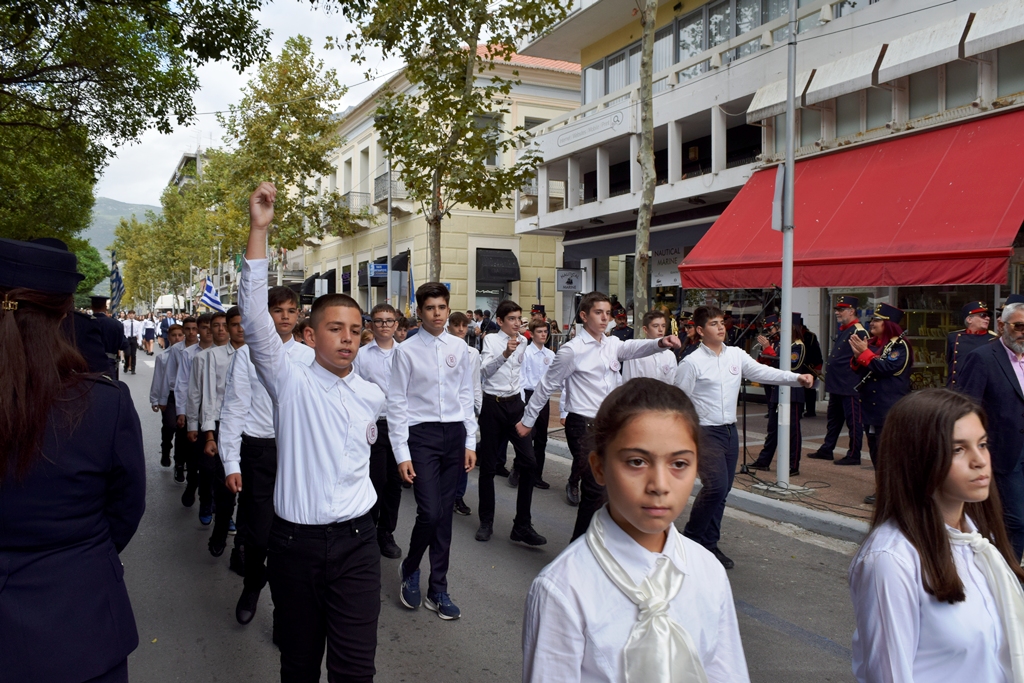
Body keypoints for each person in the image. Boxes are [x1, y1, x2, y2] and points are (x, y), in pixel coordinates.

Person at [241, 182, 384, 681]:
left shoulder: (370, 395)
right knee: (299, 664)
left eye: (354, 329)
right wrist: (260, 230)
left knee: (355, 668)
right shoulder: (290, 380)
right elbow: (256, 319)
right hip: (295, 548)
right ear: (310, 332)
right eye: (334, 328)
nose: (347, 338)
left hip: (358, 545)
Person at [522, 379, 750, 683]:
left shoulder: (707, 571)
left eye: (679, 463)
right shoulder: (565, 588)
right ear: (599, 468)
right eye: (637, 462)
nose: (659, 485)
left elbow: (727, 672)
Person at [0, 237, 146, 683]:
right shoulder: (105, 404)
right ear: (66, 312)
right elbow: (126, 508)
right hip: (83, 622)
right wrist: (82, 553)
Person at [848, 389, 1024, 683]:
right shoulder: (891, 560)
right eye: (958, 449)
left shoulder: (979, 541)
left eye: (982, 444)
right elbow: (890, 675)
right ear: (918, 457)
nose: (980, 460)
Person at [517, 291, 682, 541]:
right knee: (595, 487)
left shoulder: (612, 344)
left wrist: (660, 342)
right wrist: (527, 421)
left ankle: (594, 544)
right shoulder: (571, 351)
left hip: (609, 426)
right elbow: (546, 386)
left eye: (608, 313)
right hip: (582, 426)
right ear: (584, 316)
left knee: (606, 489)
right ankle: (579, 549)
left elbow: (634, 347)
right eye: (598, 312)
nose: (605, 318)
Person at [674, 306, 814, 569]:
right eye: (713, 324)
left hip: (729, 431)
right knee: (715, 487)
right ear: (701, 331)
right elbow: (678, 403)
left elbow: (764, 373)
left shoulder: (736, 355)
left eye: (721, 322)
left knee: (723, 491)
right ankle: (692, 539)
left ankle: (710, 544)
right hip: (704, 432)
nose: (721, 327)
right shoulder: (691, 363)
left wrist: (797, 378)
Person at [220, 284, 314, 624]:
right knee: (259, 536)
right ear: (267, 314)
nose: (286, 316)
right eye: (278, 310)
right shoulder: (247, 355)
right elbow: (233, 408)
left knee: (293, 538)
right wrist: (231, 461)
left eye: (291, 310)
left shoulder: (310, 356)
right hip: (259, 451)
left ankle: (283, 611)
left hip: (299, 454)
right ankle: (252, 584)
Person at [391, 283, 478, 621]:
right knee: (429, 512)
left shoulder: (461, 346)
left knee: (444, 517)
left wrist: (470, 441)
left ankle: (438, 588)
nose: (438, 313)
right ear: (420, 311)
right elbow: (397, 402)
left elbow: (466, 395)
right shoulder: (406, 351)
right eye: (430, 308)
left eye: (442, 307)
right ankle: (411, 567)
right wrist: (402, 452)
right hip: (421, 436)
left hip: (454, 435)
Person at [475, 300, 547, 546]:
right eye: (512, 319)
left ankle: (522, 525)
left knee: (528, 462)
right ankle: (486, 521)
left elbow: (520, 373)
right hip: (492, 405)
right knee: (488, 467)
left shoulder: (525, 341)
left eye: (519, 318)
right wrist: (505, 353)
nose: (517, 323)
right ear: (501, 321)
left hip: (515, 405)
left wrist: (526, 403)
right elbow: (484, 371)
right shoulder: (491, 340)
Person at [956, 300, 1024, 561]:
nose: (1023, 332)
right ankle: (1008, 577)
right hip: (1002, 454)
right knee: (1016, 521)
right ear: (1001, 325)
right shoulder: (982, 358)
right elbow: (966, 407)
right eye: (1018, 326)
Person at [353, 303, 405, 559]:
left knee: (395, 482)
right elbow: (357, 390)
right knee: (376, 480)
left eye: (389, 320)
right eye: (379, 321)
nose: (384, 325)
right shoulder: (362, 355)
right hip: (374, 425)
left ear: (396, 324)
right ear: (371, 325)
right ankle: (368, 529)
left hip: (399, 424)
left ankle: (386, 532)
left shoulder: (406, 353)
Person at [850, 303, 913, 505]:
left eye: (877, 320)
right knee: (876, 450)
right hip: (872, 407)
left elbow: (887, 368)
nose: (872, 323)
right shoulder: (877, 344)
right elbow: (864, 370)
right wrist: (858, 355)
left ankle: (894, 493)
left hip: (889, 407)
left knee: (889, 452)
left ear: (889, 324)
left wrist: (865, 354)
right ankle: (883, 489)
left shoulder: (899, 346)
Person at [200, 307, 245, 556]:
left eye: (243, 324)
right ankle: (219, 532)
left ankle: (242, 546)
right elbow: (209, 397)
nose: (240, 329)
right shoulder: (213, 356)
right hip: (223, 426)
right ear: (227, 328)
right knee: (225, 483)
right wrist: (209, 434)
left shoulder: (259, 355)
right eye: (235, 324)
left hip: (253, 429)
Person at [809, 296, 867, 465]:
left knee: (854, 422)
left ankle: (854, 454)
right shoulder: (845, 329)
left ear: (852, 311)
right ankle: (827, 449)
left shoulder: (858, 331)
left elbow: (862, 358)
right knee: (833, 420)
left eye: (841, 310)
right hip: (837, 384)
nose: (837, 313)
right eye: (837, 309)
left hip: (850, 384)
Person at [186, 311, 229, 527]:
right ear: (210, 330)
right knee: (208, 467)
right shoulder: (202, 358)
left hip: (234, 421)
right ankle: (205, 502)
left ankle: (226, 512)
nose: (221, 329)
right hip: (209, 420)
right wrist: (192, 423)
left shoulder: (243, 355)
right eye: (217, 325)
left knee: (228, 470)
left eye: (225, 325)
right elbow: (194, 393)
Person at [750, 314, 807, 477]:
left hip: (792, 392)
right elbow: (769, 363)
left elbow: (789, 366)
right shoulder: (781, 344)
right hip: (778, 390)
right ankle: (764, 460)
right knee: (773, 429)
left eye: (784, 327)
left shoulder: (798, 345)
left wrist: (768, 348)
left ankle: (793, 464)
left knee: (793, 431)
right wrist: (766, 350)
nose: (780, 330)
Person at [176, 312, 213, 512]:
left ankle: (210, 498)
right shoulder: (189, 354)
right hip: (195, 410)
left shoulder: (225, 353)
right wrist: (182, 412)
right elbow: (183, 385)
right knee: (193, 454)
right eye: (204, 327)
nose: (209, 331)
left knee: (212, 462)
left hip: (214, 413)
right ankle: (192, 483)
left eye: (212, 326)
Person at [446, 312, 481, 517]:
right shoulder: (440, 349)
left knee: (465, 454)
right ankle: (444, 493)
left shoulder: (472, 353)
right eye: (456, 325)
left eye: (464, 325)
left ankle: (458, 495)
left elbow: (475, 383)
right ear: (449, 327)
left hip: (465, 411)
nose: (460, 329)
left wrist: (479, 407)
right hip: (444, 411)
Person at [519, 318, 556, 490]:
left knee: (541, 438)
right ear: (532, 334)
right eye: (540, 332)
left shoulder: (550, 355)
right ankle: (518, 468)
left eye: (545, 332)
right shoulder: (526, 353)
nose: (543, 335)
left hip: (544, 398)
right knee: (528, 435)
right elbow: (521, 378)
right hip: (529, 394)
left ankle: (537, 475)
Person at [167, 316, 199, 483]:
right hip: (179, 395)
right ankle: (179, 463)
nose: (191, 332)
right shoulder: (177, 350)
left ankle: (193, 470)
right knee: (180, 431)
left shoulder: (206, 349)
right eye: (188, 329)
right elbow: (174, 377)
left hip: (199, 399)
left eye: (195, 328)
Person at [150, 323, 184, 467]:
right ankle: (165, 449)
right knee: (170, 425)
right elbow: (158, 378)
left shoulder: (188, 354)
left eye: (179, 335)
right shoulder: (163, 357)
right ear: (168, 337)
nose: (177, 338)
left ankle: (179, 462)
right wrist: (155, 399)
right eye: (174, 335)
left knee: (182, 431)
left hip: (185, 397)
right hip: (169, 396)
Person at [946, 301, 997, 387]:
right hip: (956, 390)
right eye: (982, 315)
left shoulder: (994, 339)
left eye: (988, 316)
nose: (987, 318)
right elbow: (949, 361)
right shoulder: (954, 337)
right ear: (969, 319)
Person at [621, 310, 677, 383]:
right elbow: (628, 381)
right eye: (655, 326)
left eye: (663, 326)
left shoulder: (670, 355)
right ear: (645, 329)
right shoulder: (635, 353)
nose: (660, 330)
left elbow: (673, 382)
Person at [89, 295, 127, 378]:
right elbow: (123, 344)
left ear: (91, 307)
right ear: (106, 307)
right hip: (109, 362)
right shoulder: (116, 324)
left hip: (89, 363)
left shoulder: (85, 323)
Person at [800, 320, 823, 417]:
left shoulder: (811, 336)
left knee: (810, 390)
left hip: (810, 366)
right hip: (799, 367)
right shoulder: (793, 336)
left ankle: (811, 410)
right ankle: (799, 410)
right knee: (799, 389)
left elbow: (817, 353)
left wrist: (818, 367)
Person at [121, 309, 144, 374]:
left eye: (132, 314)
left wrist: (140, 340)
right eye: (130, 314)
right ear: (128, 315)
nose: (131, 315)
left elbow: (139, 332)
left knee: (133, 354)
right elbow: (124, 332)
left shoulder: (138, 323)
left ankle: (133, 369)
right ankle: (126, 365)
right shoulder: (125, 322)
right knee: (127, 354)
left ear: (134, 315)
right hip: (127, 338)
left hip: (134, 338)